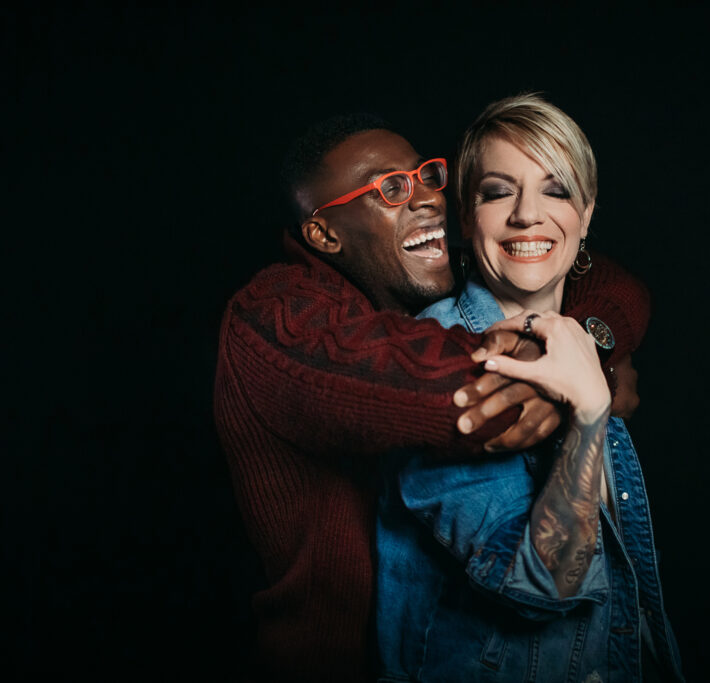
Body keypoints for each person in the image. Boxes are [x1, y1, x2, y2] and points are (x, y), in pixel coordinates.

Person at [213, 113, 652, 682]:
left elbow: (605, 276)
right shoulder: (277, 316)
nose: (425, 200)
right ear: (325, 235)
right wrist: (574, 382)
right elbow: (432, 388)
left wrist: (593, 339)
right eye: (389, 188)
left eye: (427, 177)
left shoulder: (426, 276)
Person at [376, 94, 684, 682]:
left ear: (587, 213)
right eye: (497, 192)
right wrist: (590, 411)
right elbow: (541, 587)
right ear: (466, 217)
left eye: (556, 190)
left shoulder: (583, 335)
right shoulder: (435, 352)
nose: (526, 215)